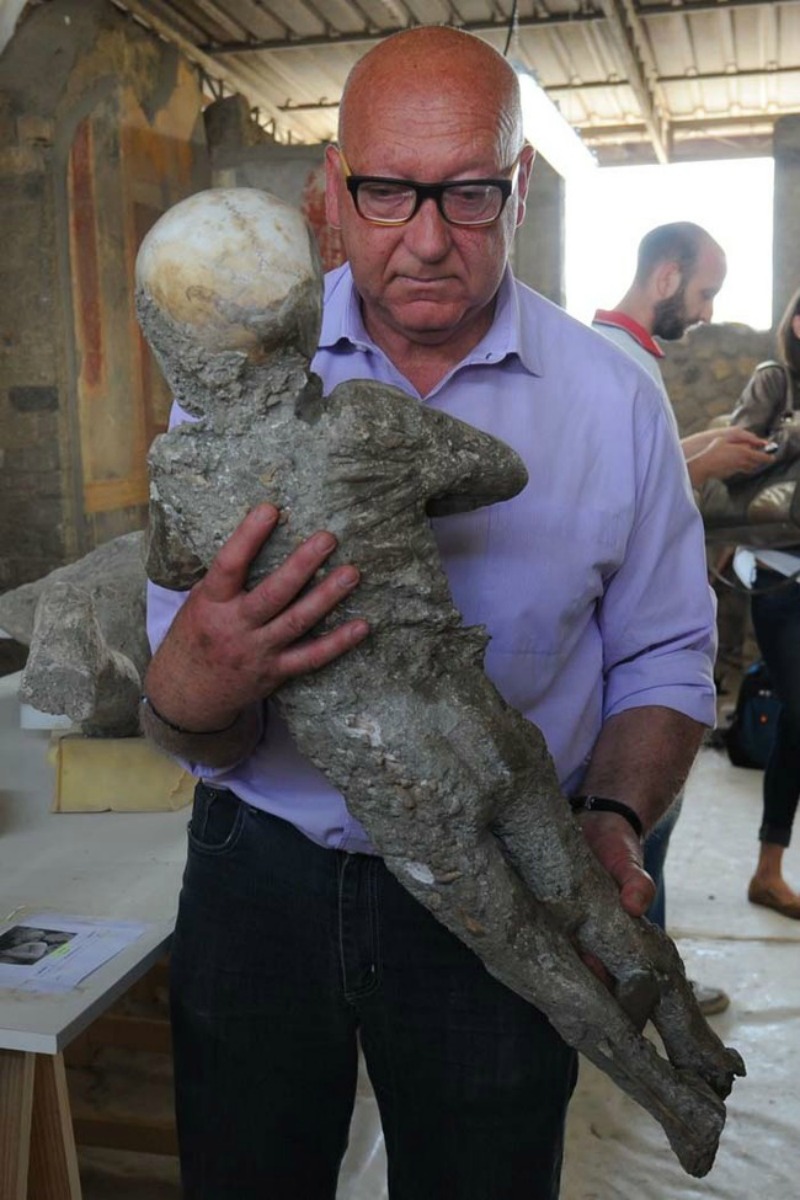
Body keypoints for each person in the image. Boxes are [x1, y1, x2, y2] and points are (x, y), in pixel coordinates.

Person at [143, 28, 718, 1200]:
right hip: (265, 876)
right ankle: (683, 1074)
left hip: (502, 819)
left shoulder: (611, 398)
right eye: (388, 190)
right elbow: (181, 715)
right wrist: (196, 675)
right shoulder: (219, 417)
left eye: (465, 192)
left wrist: (611, 815)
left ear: (514, 189)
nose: (423, 236)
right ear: (330, 194)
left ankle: (682, 1079)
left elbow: (666, 653)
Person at [593, 222, 775, 1017]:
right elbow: (617, 496)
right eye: (705, 292)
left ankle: (642, 967)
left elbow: (649, 455)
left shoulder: (629, 358)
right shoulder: (610, 361)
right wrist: (703, 464)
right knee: (642, 822)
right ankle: (646, 978)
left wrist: (701, 443)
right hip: (622, 653)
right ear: (665, 278)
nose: (707, 312)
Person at [728, 286, 800, 919]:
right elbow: (735, 460)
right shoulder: (775, 380)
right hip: (779, 567)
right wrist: (791, 440)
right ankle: (768, 870)